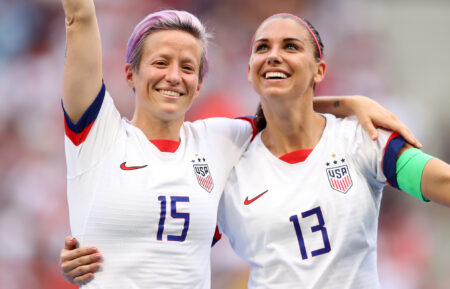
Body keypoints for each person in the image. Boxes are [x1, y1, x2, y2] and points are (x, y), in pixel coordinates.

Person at [59, 0, 422, 286]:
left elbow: (286, 104)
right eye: (160, 62)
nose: (173, 76)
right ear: (130, 74)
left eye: (187, 67)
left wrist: (347, 103)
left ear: (199, 84)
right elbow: (79, 18)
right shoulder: (99, 136)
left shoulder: (220, 140)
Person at [216, 13, 450, 289]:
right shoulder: (229, 164)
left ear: (320, 70)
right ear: (249, 70)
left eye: (290, 46)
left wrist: (345, 105)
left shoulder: (362, 138)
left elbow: (442, 181)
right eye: (262, 47)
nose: (273, 55)